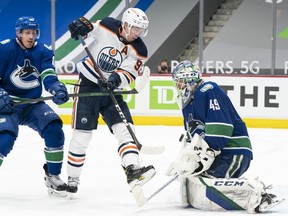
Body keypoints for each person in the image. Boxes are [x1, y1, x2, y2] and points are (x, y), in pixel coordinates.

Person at [166, 60, 283, 213]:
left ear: (190, 78)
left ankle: (258, 194)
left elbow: (221, 126)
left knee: (210, 185)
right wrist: (189, 158)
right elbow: (193, 136)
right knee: (198, 181)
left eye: (180, 82)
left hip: (233, 152)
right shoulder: (187, 103)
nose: (178, 86)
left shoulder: (208, 90)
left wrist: (208, 152)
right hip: (218, 154)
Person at [66, 8, 156, 195]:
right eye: (136, 28)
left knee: (125, 130)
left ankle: (132, 169)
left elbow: (129, 72)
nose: (138, 33)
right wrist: (80, 27)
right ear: (126, 24)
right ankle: (73, 178)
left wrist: (114, 79)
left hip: (111, 91)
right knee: (82, 136)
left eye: (141, 29)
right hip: (87, 86)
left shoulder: (140, 49)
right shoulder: (108, 24)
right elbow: (89, 29)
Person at [0, 16, 69, 197]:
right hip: (9, 104)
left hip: (32, 104)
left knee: (54, 129)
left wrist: (55, 87)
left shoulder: (43, 51)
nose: (31, 36)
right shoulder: (5, 49)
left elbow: (48, 74)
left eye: (33, 32)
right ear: (19, 33)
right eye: (27, 33)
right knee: (4, 140)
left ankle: (53, 176)